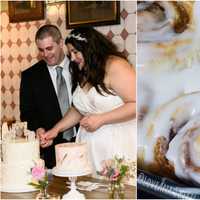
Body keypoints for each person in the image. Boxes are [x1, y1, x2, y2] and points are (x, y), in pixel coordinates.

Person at [39, 26, 136, 176]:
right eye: (70, 53)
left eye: (75, 52)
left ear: (90, 48)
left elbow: (136, 104)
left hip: (117, 144)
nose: (72, 58)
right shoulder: (84, 69)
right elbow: (79, 108)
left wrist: (102, 119)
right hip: (89, 148)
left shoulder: (116, 65)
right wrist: (55, 130)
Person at [20, 24, 76, 169]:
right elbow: (27, 112)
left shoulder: (79, 67)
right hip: (52, 150)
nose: (45, 54)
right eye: (41, 50)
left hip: (85, 141)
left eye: (49, 48)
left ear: (61, 43)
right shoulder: (30, 76)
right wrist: (38, 128)